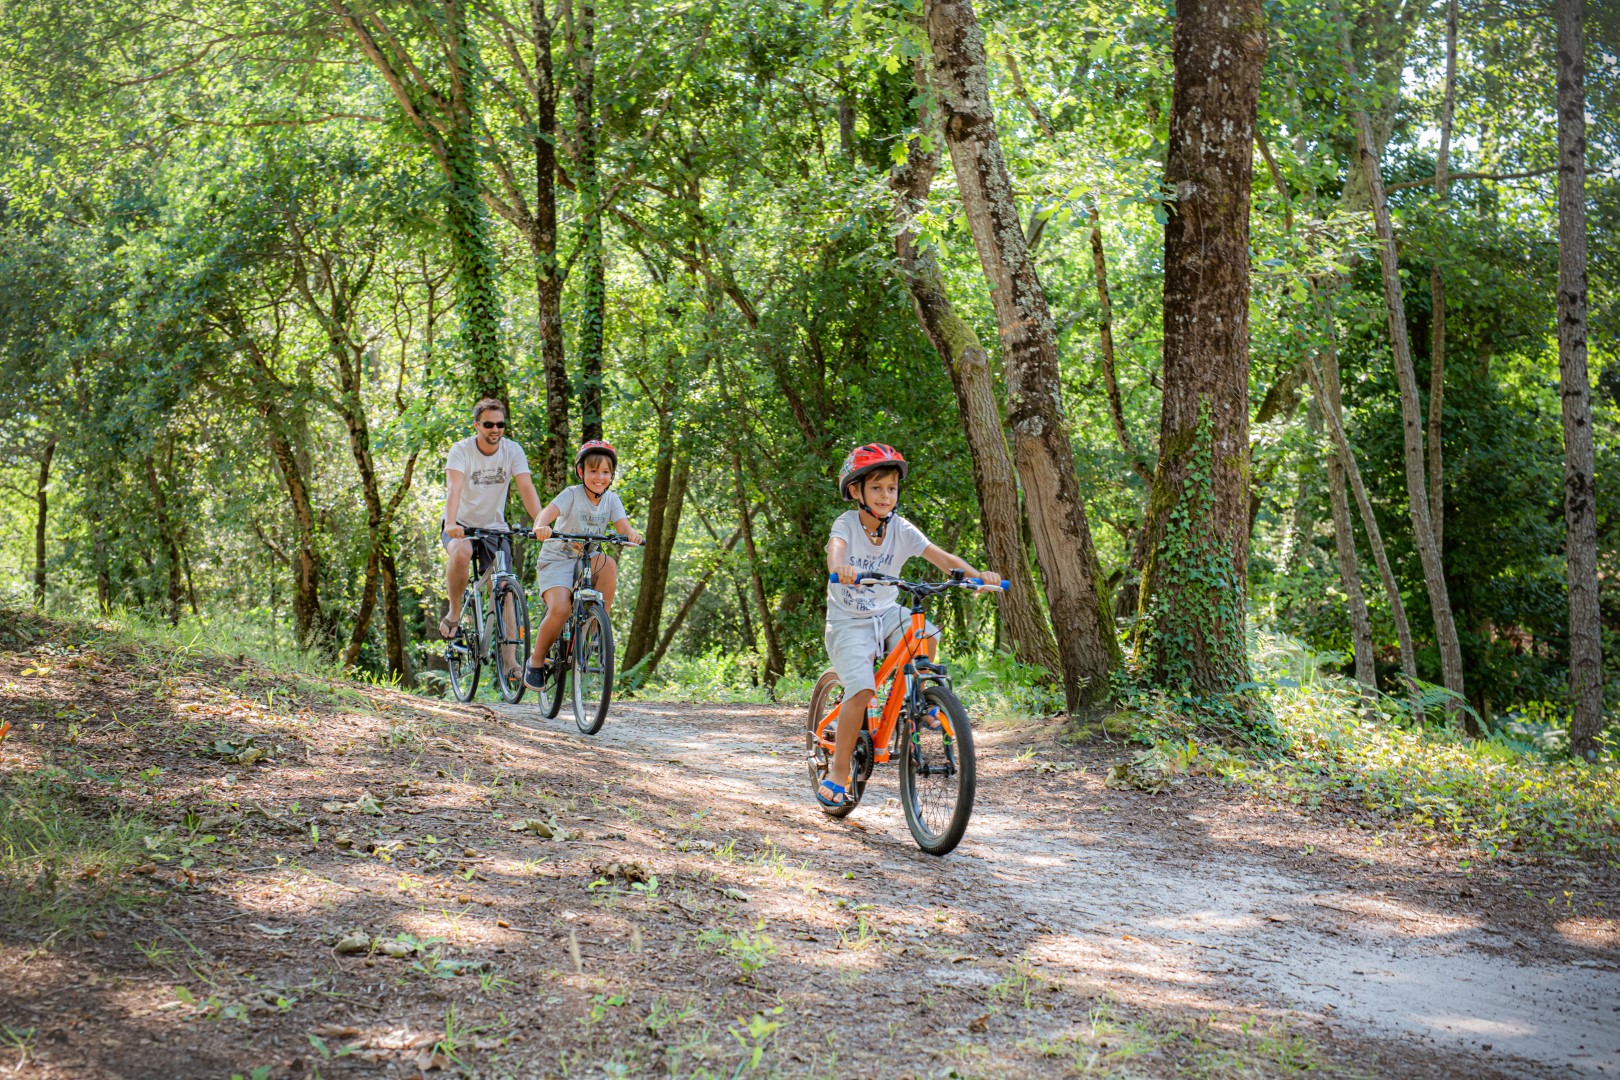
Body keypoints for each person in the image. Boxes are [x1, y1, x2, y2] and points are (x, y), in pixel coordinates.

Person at [819, 443, 1001, 810]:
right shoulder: (846, 524)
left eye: (891, 488)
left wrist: (977, 576)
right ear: (855, 491)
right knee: (862, 691)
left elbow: (942, 558)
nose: (886, 495)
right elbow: (835, 550)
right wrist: (841, 569)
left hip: (887, 612)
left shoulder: (901, 528)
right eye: (876, 488)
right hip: (849, 620)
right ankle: (838, 771)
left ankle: (916, 701)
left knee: (927, 632)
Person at [524, 440, 644, 688]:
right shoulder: (571, 494)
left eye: (605, 472)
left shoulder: (611, 500)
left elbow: (623, 527)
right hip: (558, 559)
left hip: (587, 558)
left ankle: (598, 631)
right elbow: (546, 514)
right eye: (593, 471)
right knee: (561, 609)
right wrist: (540, 527)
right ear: (581, 472)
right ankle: (535, 661)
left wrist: (632, 535)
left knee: (608, 563)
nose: (600, 477)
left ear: (612, 475)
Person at [441, 399, 544, 672]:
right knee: (461, 552)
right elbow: (453, 489)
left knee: (504, 588)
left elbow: (526, 487)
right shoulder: (461, 450)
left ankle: (510, 663)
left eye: (500, 424)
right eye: (488, 424)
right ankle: (454, 611)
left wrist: (541, 522)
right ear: (476, 425)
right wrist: (450, 522)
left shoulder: (512, 450)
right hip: (461, 525)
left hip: (494, 529)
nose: (495, 429)